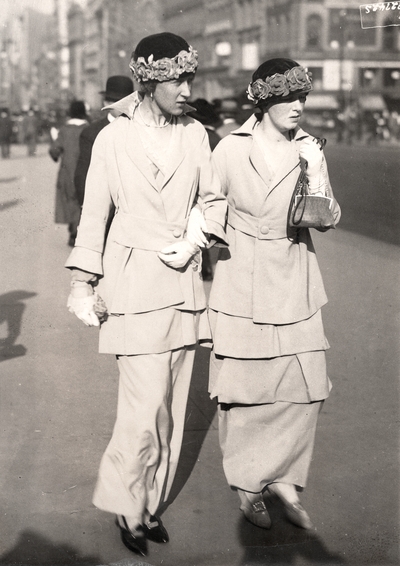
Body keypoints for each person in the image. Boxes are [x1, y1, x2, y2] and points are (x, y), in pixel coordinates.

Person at [64, 32, 227, 556]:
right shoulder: (113, 139)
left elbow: (213, 198)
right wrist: (82, 282)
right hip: (131, 283)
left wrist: (194, 238)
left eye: (189, 79)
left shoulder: (197, 135)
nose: (186, 89)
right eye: (177, 79)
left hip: (181, 285)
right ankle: (127, 507)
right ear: (150, 80)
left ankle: (147, 505)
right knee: (142, 406)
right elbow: (94, 213)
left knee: (170, 408)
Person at [208, 58, 341, 531]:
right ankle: (248, 483)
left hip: (295, 272)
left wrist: (318, 183)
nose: (298, 106)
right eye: (288, 97)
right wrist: (201, 240)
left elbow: (328, 216)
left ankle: (285, 477)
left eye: (303, 97)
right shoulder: (230, 148)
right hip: (242, 273)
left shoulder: (310, 148)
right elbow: (209, 202)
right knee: (245, 387)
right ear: (264, 101)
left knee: (305, 385)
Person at [74, 75, 134, 206]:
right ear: (106, 104)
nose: (125, 107)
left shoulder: (140, 128)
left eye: (129, 102)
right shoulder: (91, 133)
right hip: (104, 208)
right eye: (120, 102)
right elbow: (82, 177)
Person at [188, 98, 223, 280]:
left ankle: (202, 266)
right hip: (214, 188)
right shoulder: (217, 138)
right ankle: (208, 267)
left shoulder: (193, 135)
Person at [49, 101, 89, 247]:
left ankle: (73, 231)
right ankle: (80, 230)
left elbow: (54, 151)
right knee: (83, 202)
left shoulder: (64, 130)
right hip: (86, 171)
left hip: (67, 173)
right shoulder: (88, 128)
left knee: (70, 200)